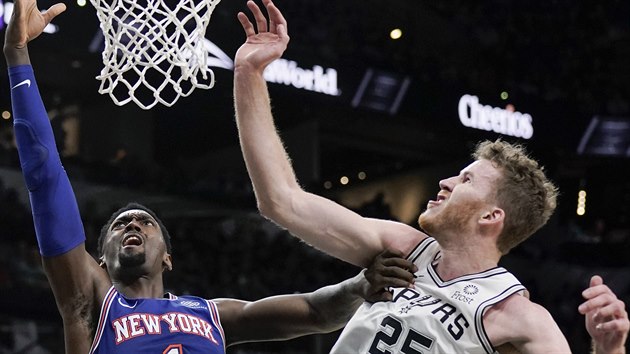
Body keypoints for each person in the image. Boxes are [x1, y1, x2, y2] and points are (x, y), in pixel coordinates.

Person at [2, 0, 421, 353]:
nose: (132, 223)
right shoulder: (91, 301)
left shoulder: (212, 314)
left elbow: (315, 312)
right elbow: (44, 175)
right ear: (100, 262)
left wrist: (362, 284)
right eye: (118, 225)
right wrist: (18, 54)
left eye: (145, 222)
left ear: (168, 256)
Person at [232, 0, 629, 353]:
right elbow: (281, 200)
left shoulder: (519, 316)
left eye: (466, 181)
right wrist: (249, 73)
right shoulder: (403, 248)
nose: (446, 183)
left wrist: (609, 348)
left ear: (491, 216)